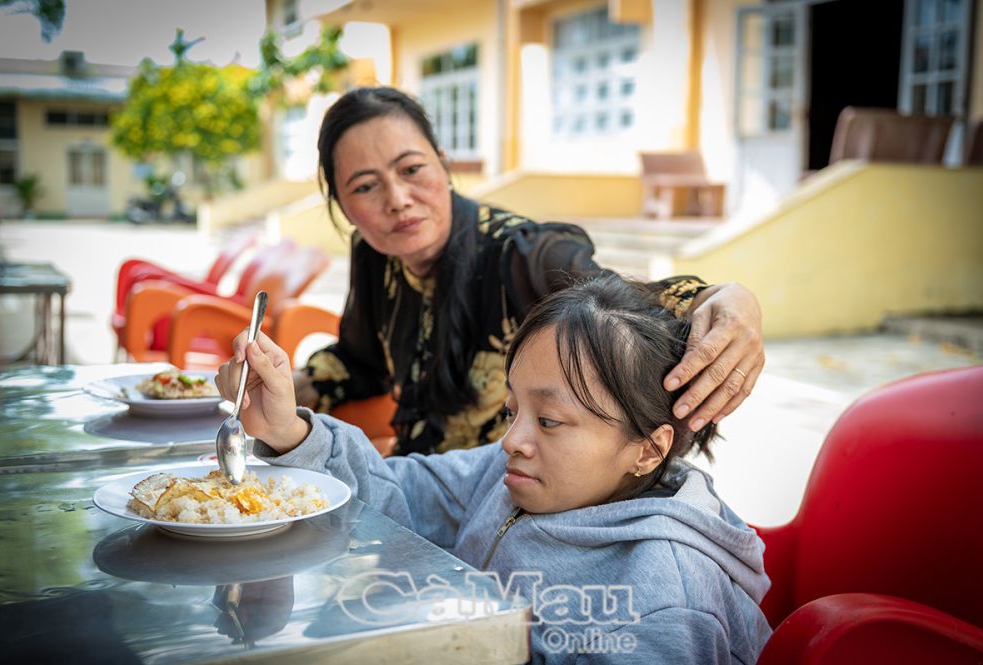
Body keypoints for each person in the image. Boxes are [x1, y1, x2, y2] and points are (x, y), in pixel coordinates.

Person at [215, 273, 772, 664]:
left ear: (649, 449)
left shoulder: (662, 601)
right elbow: (401, 498)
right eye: (512, 410)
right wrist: (291, 433)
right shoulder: (511, 477)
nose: (512, 441)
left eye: (549, 420)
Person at [296, 86, 764, 455]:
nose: (397, 199)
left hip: (510, 497)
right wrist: (301, 383)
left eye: (412, 169)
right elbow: (362, 364)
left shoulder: (522, 255)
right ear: (343, 206)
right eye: (365, 186)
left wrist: (726, 299)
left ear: (443, 165)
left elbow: (628, 307)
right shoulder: (374, 254)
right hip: (419, 483)